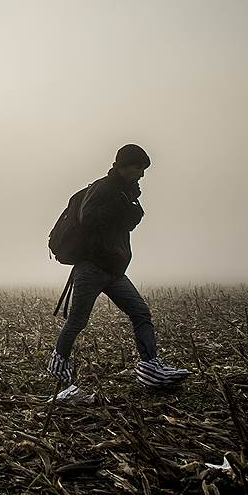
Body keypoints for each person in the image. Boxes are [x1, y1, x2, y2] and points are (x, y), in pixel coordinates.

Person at [48, 144, 190, 400]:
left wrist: (129, 206)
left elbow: (122, 223)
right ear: (123, 166)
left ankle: (150, 369)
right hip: (91, 269)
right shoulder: (104, 188)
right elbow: (87, 218)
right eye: (138, 168)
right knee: (77, 322)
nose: (142, 174)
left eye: (143, 169)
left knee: (140, 312)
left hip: (113, 271)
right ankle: (61, 381)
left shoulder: (124, 193)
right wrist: (125, 207)